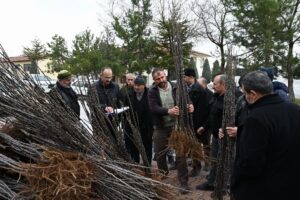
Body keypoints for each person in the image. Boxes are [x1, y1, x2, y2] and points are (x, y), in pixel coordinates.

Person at [231, 71, 300, 200]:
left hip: (264, 190)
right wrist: (242, 132)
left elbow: (250, 164)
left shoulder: (257, 118)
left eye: (245, 93)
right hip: (293, 187)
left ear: (252, 94)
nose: (244, 97)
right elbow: (280, 137)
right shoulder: (295, 110)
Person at [148, 68, 193, 194]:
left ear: (165, 75)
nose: (161, 80)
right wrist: (168, 111)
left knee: (180, 154)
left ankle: (183, 182)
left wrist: (190, 105)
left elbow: (186, 98)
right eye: (158, 79)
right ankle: (163, 173)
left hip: (177, 126)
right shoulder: (152, 91)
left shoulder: (176, 87)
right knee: (159, 152)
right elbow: (153, 107)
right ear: (154, 80)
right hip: (161, 126)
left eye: (162, 77)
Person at [196, 74, 227, 191]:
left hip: (225, 137)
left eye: (215, 84)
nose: (212, 86)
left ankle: (223, 185)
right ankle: (211, 182)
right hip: (215, 135)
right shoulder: (216, 96)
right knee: (214, 159)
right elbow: (212, 115)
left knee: (223, 161)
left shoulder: (233, 98)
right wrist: (204, 126)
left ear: (223, 84)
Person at [183, 69, 210, 177]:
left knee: (205, 144)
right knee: (193, 146)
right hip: (190, 123)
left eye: (184, 77)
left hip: (199, 124)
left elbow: (204, 110)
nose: (183, 79)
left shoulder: (201, 90)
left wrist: (203, 125)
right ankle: (196, 166)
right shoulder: (185, 89)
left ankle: (206, 163)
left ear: (191, 77)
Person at [124, 75, 153, 164]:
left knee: (147, 145)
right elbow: (126, 109)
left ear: (144, 85)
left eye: (138, 85)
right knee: (134, 145)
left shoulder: (150, 94)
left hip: (146, 126)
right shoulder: (129, 94)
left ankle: (147, 164)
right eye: (135, 85)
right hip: (133, 125)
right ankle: (136, 162)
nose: (136, 87)